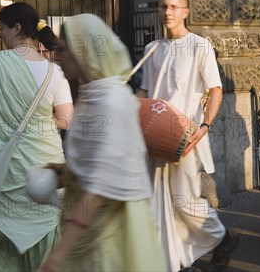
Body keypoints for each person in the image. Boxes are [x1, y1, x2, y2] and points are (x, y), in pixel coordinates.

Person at [38, 14, 166, 271]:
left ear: (83, 50)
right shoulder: (93, 94)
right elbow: (98, 167)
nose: (56, 56)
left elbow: (99, 190)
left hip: (109, 237)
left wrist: (57, 256)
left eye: (63, 49)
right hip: (91, 234)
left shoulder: (110, 101)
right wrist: (66, 172)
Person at [136, 0, 237, 272]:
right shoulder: (152, 49)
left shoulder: (199, 46)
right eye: (162, 7)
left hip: (184, 138)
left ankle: (222, 238)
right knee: (158, 204)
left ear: (185, 12)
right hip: (154, 137)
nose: (167, 12)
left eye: (173, 7)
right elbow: (144, 91)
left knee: (184, 204)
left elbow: (215, 90)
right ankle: (174, 264)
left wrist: (205, 126)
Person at [0, 2, 73, 271]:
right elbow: (66, 119)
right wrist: (37, 123)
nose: (0, 35)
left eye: (1, 29)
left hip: (1, 171)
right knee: (46, 240)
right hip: (43, 170)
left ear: (16, 28)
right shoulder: (55, 72)